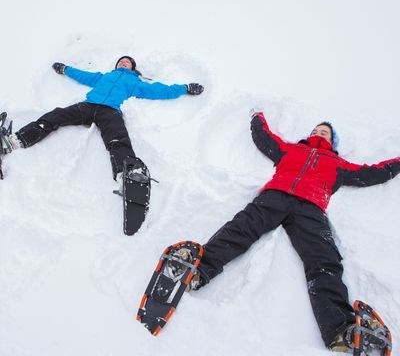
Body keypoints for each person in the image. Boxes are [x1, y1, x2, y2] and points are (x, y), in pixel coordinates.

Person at [190, 112, 400, 352]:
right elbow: (265, 139)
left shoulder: (339, 165)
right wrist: (257, 117)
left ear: (332, 141)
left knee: (323, 260)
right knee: (240, 229)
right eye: (316, 130)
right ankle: (197, 271)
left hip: (310, 209)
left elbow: (373, 173)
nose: (319, 133)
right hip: (275, 196)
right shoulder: (290, 149)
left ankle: (340, 330)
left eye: (325, 132)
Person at [4, 56, 204, 181]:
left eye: (127, 61)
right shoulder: (104, 76)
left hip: (110, 111)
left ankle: (127, 174)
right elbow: (83, 75)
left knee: (117, 138)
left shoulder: (135, 82)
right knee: (56, 116)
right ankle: (16, 140)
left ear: (133, 67)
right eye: (120, 61)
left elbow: (161, 91)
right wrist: (65, 69)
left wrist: (185, 88)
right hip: (88, 106)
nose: (123, 62)